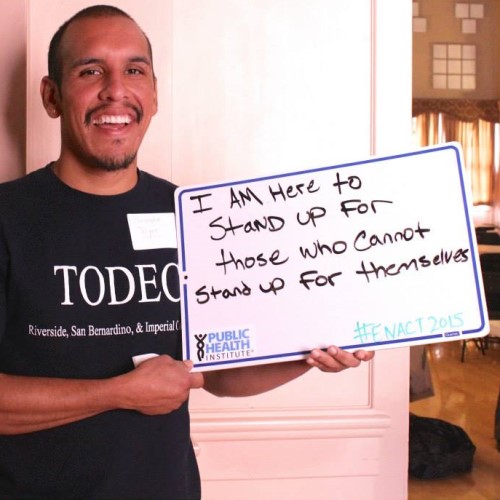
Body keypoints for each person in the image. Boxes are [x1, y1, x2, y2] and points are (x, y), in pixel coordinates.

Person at [0, 5, 374, 498]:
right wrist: (117, 393)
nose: (116, 89)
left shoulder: (196, 217)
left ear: (153, 95)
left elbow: (217, 374)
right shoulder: (9, 216)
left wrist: (306, 353)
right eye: (91, 71)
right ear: (51, 96)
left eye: (134, 70)